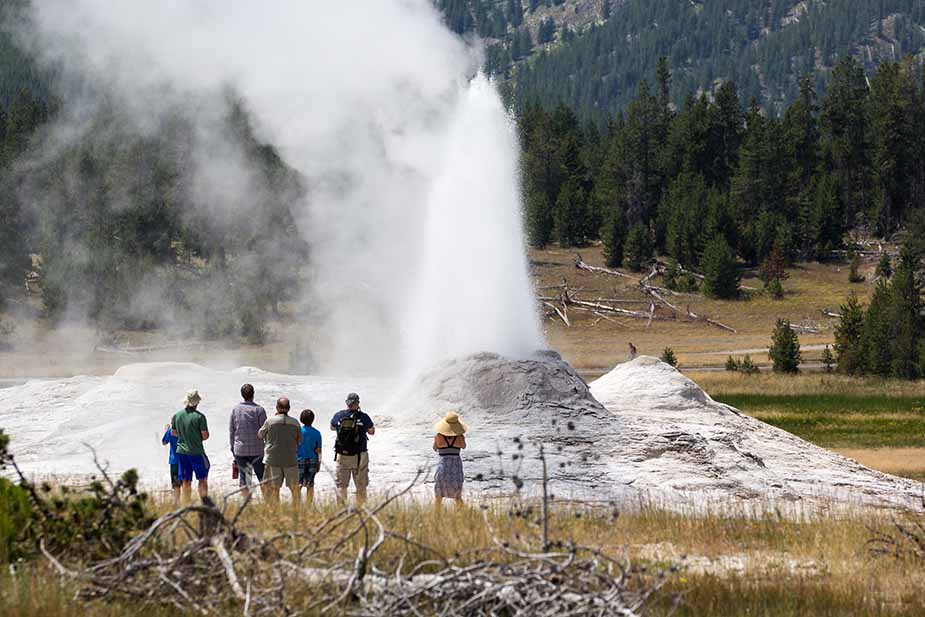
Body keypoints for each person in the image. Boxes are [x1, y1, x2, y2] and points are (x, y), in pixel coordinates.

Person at [330, 392, 375, 504]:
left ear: (347, 403)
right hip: (360, 455)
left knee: (342, 486)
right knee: (361, 486)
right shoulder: (363, 417)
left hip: (343, 455)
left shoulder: (339, 415)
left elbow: (331, 427)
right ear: (358, 403)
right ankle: (361, 510)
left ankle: (341, 510)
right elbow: (372, 431)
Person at [258, 397, 302, 506]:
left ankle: (276, 511)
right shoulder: (295, 422)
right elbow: (300, 441)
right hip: (290, 459)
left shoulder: (270, 421)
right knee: (294, 488)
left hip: (273, 459)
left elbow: (260, 434)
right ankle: (296, 510)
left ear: (277, 407)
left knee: (274, 488)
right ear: (289, 408)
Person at [229, 383, 268, 499]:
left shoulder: (235, 410)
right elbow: (265, 430)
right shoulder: (259, 410)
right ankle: (267, 503)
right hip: (257, 450)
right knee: (262, 477)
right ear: (253, 394)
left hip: (240, 450)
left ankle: (246, 504)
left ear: (242, 395)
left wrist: (233, 448)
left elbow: (231, 431)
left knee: (244, 478)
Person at [171, 389, 210, 501]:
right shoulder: (200, 417)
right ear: (197, 402)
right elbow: (205, 435)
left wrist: (185, 434)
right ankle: (205, 502)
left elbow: (174, 433)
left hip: (181, 452)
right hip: (196, 451)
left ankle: (186, 503)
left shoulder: (177, 415)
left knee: (186, 480)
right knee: (202, 478)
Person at [433, 411, 467, 509]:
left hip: (443, 465)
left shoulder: (438, 436)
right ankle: (464, 515)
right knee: (457, 496)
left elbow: (435, 448)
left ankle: (436, 515)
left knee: (438, 495)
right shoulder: (460, 437)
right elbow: (463, 446)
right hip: (455, 466)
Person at [297, 409, 323, 505]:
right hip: (313, 459)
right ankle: (309, 505)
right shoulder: (317, 433)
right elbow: (318, 450)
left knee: (298, 483)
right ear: (313, 419)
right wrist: (319, 462)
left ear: (301, 419)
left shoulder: (298, 431)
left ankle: (297, 504)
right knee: (310, 484)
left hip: (299, 459)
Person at [161, 421, 180, 503]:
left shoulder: (170, 431)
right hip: (185, 459)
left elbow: (164, 442)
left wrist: (166, 430)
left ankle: (177, 501)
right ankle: (186, 501)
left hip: (174, 460)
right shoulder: (184, 429)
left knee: (175, 484)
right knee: (186, 482)